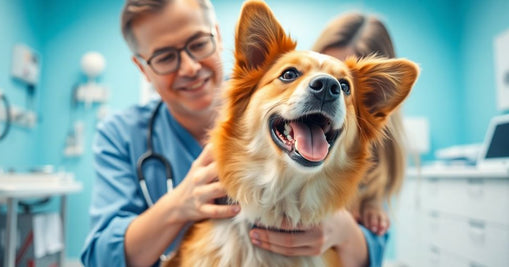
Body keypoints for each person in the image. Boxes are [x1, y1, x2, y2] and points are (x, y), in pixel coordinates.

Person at [81, 1, 387, 266]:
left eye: (198, 43)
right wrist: (179, 204)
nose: (189, 67)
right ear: (142, 68)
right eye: (163, 57)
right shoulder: (120, 134)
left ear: (218, 36)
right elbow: (100, 258)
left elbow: (373, 244)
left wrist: (343, 230)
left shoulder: (289, 103)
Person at [312, 13, 408, 237]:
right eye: (320, 75)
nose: (325, 94)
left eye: (343, 86)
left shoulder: (374, 167)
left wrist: (367, 210)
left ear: (375, 99)